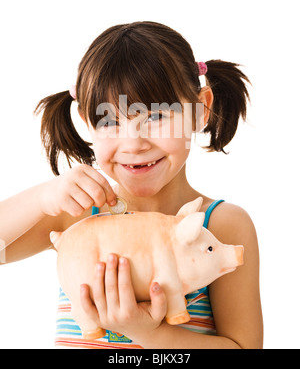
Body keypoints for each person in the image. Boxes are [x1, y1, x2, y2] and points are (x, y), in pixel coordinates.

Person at [0, 21, 263, 349]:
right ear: (87, 123)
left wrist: (150, 334)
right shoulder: (77, 215)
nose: (133, 143)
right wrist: (41, 199)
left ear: (200, 109)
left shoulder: (223, 226)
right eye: (109, 121)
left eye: (155, 116)